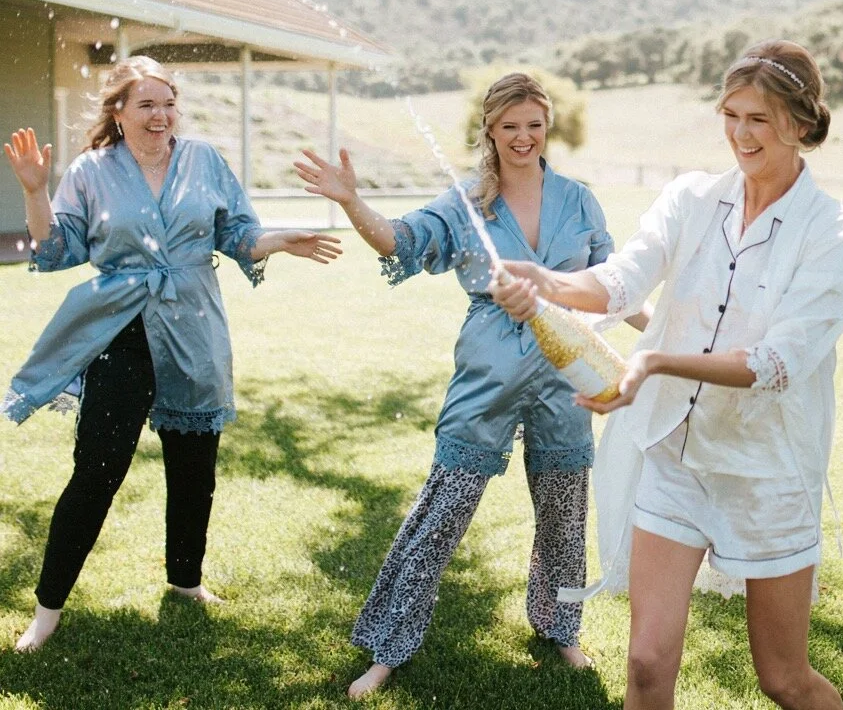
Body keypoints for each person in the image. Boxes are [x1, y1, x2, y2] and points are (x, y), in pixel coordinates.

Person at [491, 40, 843, 710]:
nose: (740, 134)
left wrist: (653, 360)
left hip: (767, 470)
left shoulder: (833, 231)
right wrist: (546, 282)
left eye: (759, 118)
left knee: (783, 678)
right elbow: (622, 279)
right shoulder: (690, 197)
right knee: (645, 663)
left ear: (801, 124)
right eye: (731, 114)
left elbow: (776, 363)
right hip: (676, 454)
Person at [295, 72, 637, 699]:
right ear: (490, 129)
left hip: (566, 370)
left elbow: (612, 284)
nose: (523, 136)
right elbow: (398, 240)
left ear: (547, 125)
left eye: (534, 123)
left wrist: (672, 329)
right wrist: (350, 201)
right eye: (510, 125)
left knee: (564, 511)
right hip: (488, 371)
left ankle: (561, 628)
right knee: (444, 508)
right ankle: (387, 646)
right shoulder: (466, 203)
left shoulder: (580, 200)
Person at [3, 56, 341, 653]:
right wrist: (35, 190)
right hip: (121, 332)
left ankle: (186, 582)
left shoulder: (204, 160)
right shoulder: (90, 170)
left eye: (168, 103)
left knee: (194, 471)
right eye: (146, 105)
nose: (160, 116)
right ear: (119, 111)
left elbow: (238, 234)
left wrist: (280, 241)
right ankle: (47, 610)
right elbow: (56, 250)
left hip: (192, 326)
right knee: (97, 471)